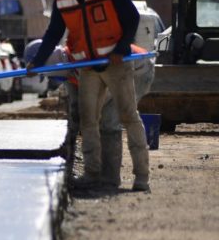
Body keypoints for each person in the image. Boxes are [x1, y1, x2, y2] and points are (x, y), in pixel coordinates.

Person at [26, 0, 151, 191]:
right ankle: (93, 175)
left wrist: (120, 48)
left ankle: (142, 177)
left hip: (117, 65)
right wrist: (37, 63)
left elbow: (132, 18)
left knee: (128, 116)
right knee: (88, 121)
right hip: (87, 68)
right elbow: (53, 33)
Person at [24, 40, 155, 188]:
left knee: (109, 120)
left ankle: (113, 178)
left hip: (138, 67)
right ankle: (100, 175)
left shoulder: (77, 61)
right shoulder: (68, 67)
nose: (52, 80)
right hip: (112, 66)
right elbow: (75, 107)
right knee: (94, 117)